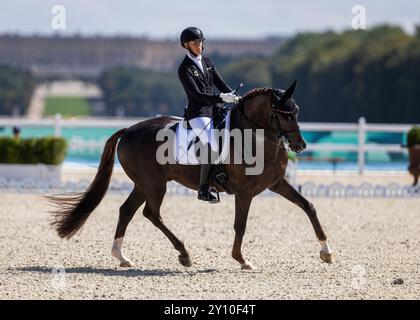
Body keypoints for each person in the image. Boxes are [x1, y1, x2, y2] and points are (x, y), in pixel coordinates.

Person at [178, 26, 239, 203]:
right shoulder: (184, 69)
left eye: (201, 42)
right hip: (198, 114)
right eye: (195, 43)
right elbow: (197, 95)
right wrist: (220, 97)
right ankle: (203, 189)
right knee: (212, 145)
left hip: (215, 110)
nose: (199, 45)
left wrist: (235, 97)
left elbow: (221, 83)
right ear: (186, 45)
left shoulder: (207, 61)